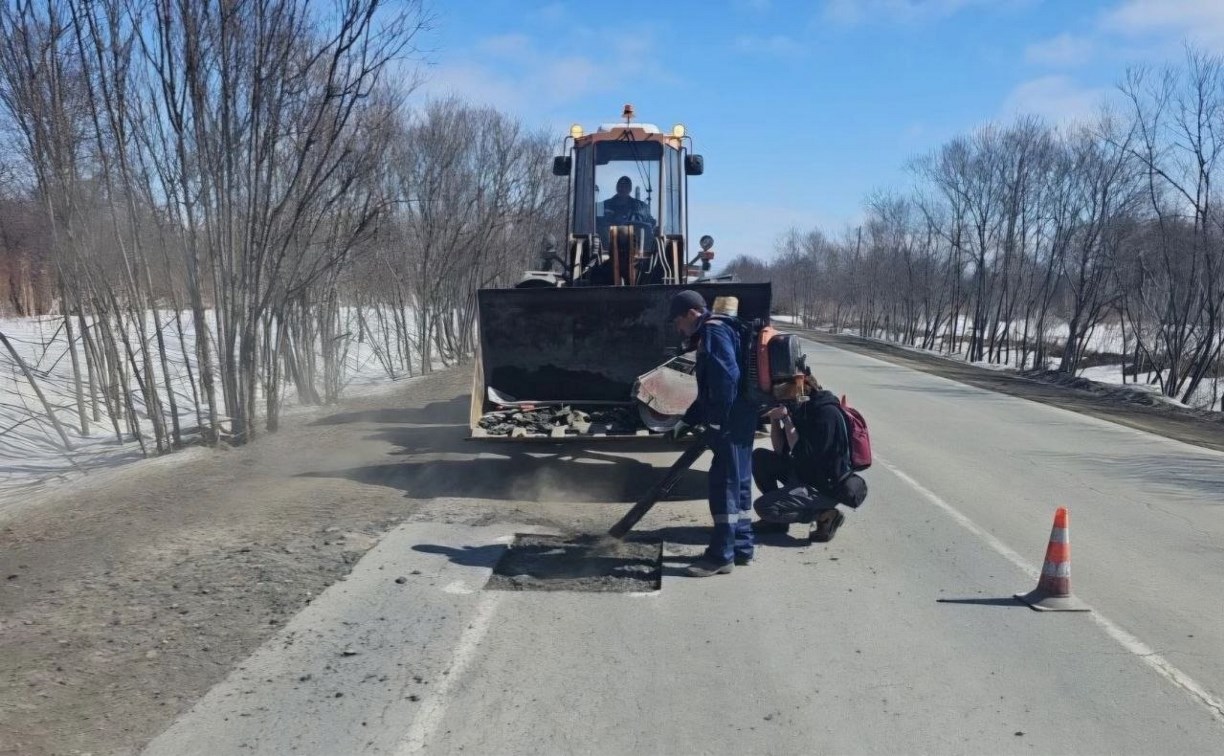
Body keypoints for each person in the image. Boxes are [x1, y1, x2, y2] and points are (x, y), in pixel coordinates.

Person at [668, 289, 757, 576]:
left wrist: (717, 420)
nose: (678, 329)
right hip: (743, 416)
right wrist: (689, 420)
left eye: (677, 322)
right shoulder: (726, 326)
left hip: (730, 420)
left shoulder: (713, 331)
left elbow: (725, 378)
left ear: (691, 313)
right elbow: (712, 388)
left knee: (724, 485)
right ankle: (742, 546)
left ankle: (721, 556)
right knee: (740, 481)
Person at [752, 371, 867, 542]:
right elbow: (780, 450)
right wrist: (775, 419)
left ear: (801, 388)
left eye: (786, 392)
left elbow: (804, 454)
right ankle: (777, 522)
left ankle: (825, 514)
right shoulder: (804, 409)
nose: (784, 398)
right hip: (805, 473)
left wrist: (786, 418)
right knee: (760, 458)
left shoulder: (826, 414)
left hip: (823, 486)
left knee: (763, 507)